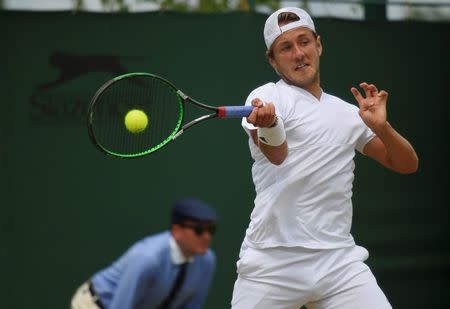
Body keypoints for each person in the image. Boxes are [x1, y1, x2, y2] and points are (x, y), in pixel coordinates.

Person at [231, 7, 418, 309]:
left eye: (304, 42)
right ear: (272, 60)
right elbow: (276, 155)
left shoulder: (349, 114)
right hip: (272, 263)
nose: (298, 54)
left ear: (318, 44)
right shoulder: (267, 97)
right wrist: (268, 124)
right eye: (286, 47)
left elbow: (407, 164)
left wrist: (383, 128)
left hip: (339, 263)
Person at [71, 197, 218, 309]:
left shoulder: (207, 261)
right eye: (199, 230)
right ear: (176, 231)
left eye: (211, 230)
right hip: (96, 304)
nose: (207, 237)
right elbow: (121, 306)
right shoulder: (147, 259)